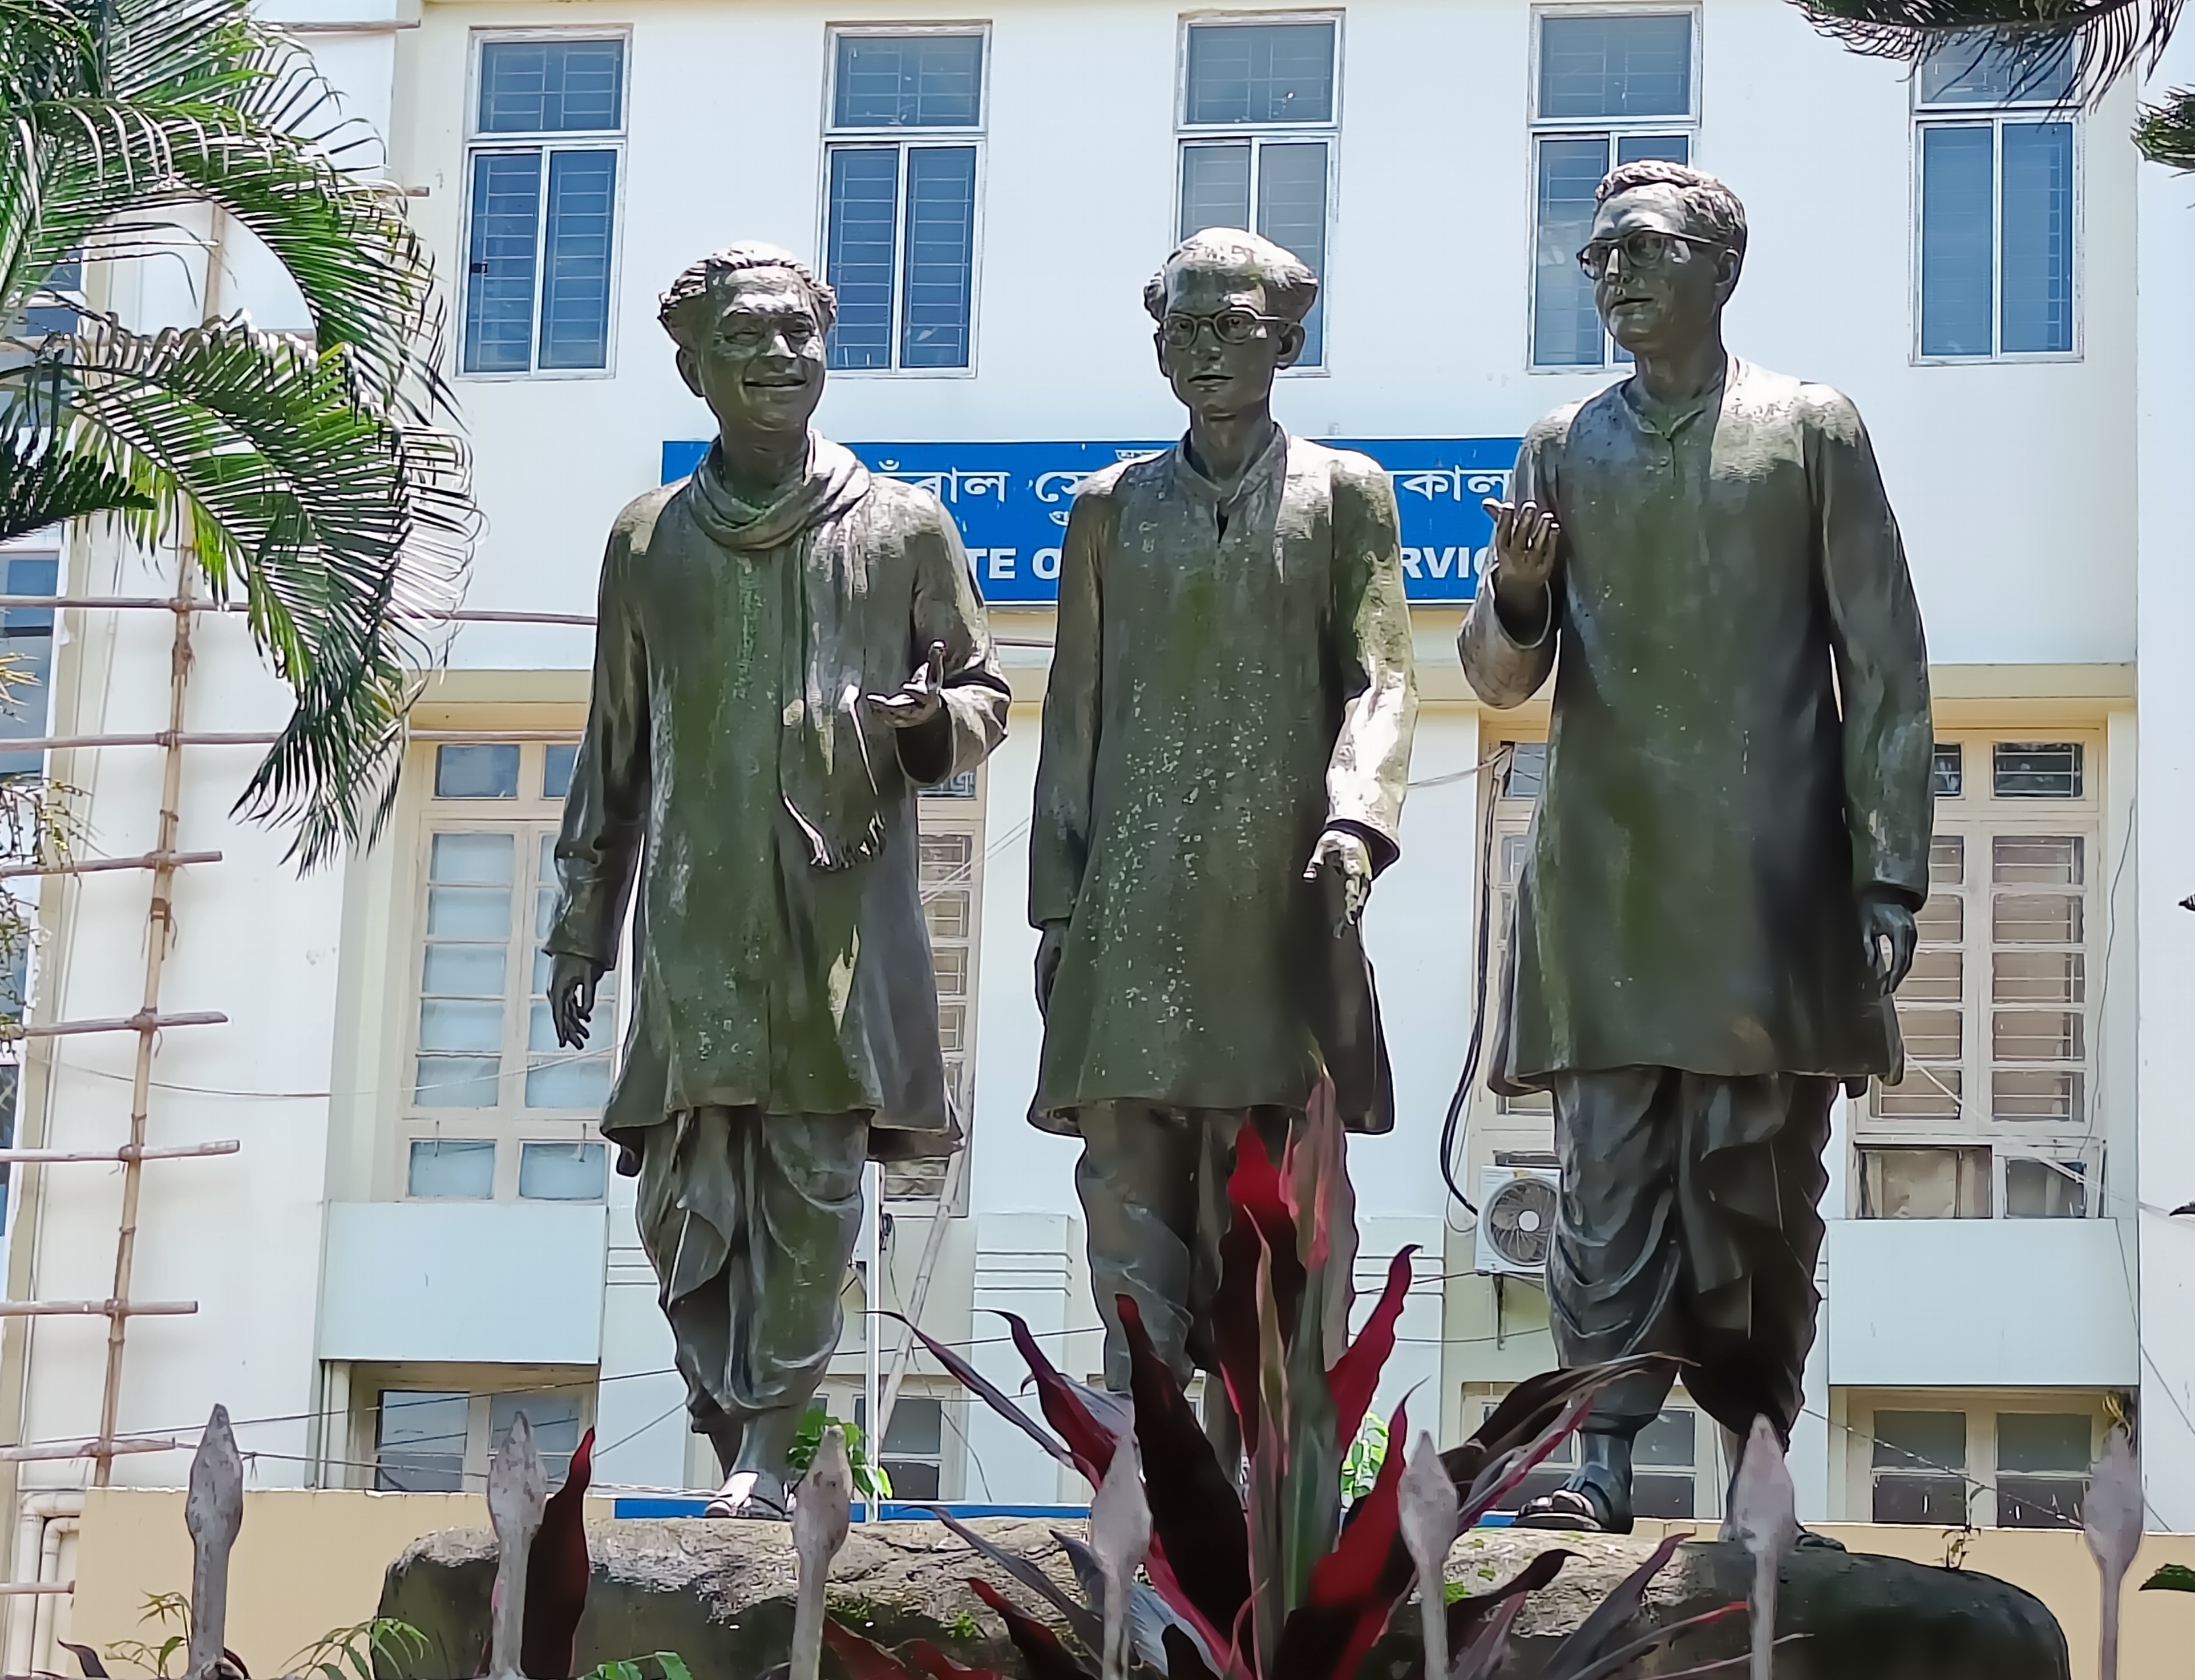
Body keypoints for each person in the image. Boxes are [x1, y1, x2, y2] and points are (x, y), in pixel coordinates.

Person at [1461, 163, 1933, 1533]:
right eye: (1596, 254)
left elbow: (1884, 663)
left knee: (1759, 1189)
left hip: (1769, 883)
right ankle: (1598, 1454)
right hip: (1604, 879)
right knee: (1601, 1183)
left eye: (1642, 249)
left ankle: (1759, 1462)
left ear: (1720, 268)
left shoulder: (1808, 431)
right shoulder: (1561, 445)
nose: (1611, 273)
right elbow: (1498, 677)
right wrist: (1519, 588)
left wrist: (1886, 870)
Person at [546, 244, 1009, 1519]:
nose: (776, 357)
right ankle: (729, 1407)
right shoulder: (648, 543)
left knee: (811, 1176)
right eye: (745, 337)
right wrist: (580, 922)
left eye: (798, 334)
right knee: (683, 1198)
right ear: (694, 367)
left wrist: (930, 721)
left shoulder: (904, 526)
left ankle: (770, 1432)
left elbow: (984, 692)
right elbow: (615, 748)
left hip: (835, 911)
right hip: (694, 923)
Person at [1030, 229, 1417, 1418]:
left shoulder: (1343, 495)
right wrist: (1057, 904)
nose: (1204, 351)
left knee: (1277, 1213)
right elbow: (1073, 711)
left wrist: (1356, 822)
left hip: (1277, 903)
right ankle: (1142, 1447)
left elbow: (1383, 676)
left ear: (1285, 343)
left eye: (1231, 327)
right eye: (1182, 329)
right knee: (1130, 1199)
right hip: (1131, 915)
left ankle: (1272, 1470)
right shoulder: (1109, 509)